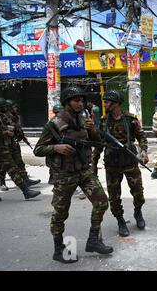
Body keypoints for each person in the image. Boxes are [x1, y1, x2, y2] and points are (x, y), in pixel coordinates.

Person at [34, 87, 113, 263]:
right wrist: (56, 147)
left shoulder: (84, 119)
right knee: (60, 213)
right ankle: (58, 248)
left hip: (84, 170)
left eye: (82, 100)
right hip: (64, 174)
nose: (80, 103)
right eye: (76, 100)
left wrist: (93, 130)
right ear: (67, 102)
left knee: (101, 202)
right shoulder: (54, 124)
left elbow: (96, 142)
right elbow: (38, 149)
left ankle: (93, 241)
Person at [91, 90, 149, 237]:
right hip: (112, 163)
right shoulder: (103, 121)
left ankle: (138, 212)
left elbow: (141, 136)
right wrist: (94, 163)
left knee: (138, 192)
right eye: (105, 101)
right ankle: (120, 220)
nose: (105, 104)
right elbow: (98, 143)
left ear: (116, 103)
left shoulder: (130, 119)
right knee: (114, 196)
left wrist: (144, 151)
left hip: (129, 161)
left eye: (108, 102)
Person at [0, 98, 41, 200]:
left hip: (3, 146)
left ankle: (25, 185)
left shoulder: (0, 116)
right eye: (3, 107)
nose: (5, 108)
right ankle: (26, 191)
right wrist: (5, 132)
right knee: (12, 168)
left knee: (1, 169)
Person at [47, 104, 64, 185]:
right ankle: (55, 180)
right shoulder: (53, 122)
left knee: (55, 164)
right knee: (56, 164)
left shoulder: (56, 120)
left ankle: (53, 178)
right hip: (54, 146)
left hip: (56, 145)